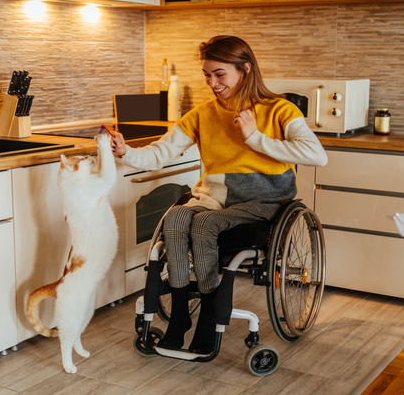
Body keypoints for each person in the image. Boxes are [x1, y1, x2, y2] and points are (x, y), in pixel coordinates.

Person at [110, 35, 328, 354]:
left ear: (245, 69)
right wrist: (125, 151)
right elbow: (160, 153)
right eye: (207, 75)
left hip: (264, 200)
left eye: (219, 74)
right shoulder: (202, 114)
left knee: (203, 225)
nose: (212, 82)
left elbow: (316, 155)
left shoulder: (279, 109)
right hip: (215, 197)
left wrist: (254, 138)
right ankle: (181, 315)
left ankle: (210, 316)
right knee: (175, 218)